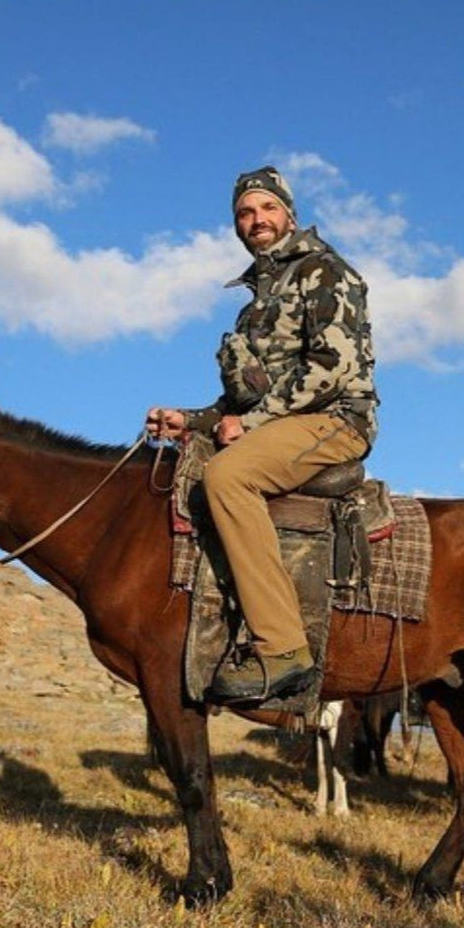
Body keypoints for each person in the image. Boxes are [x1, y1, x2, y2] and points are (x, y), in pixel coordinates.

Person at [147, 167, 378, 705]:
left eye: (266, 209)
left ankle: (282, 649)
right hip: (285, 420)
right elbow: (239, 402)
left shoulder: (325, 271)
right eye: (245, 214)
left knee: (227, 477)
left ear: (289, 214)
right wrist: (191, 420)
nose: (257, 221)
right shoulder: (254, 304)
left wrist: (249, 425)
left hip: (336, 419)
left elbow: (332, 367)